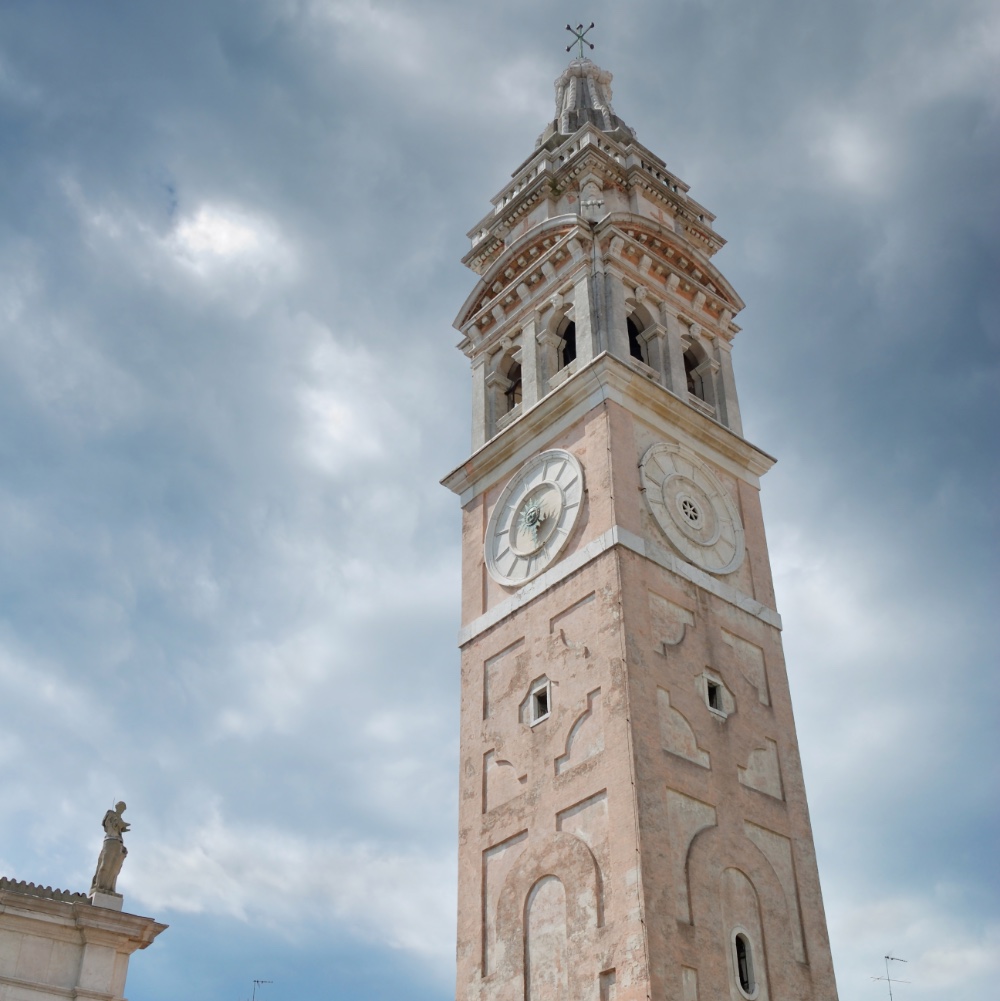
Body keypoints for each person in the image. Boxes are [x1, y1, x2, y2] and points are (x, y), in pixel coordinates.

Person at [90, 801, 129, 894]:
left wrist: (122, 826)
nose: (122, 809)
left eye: (123, 808)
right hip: (110, 840)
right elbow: (107, 824)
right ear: (116, 806)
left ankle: (109, 888)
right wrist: (117, 823)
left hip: (118, 842)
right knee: (105, 865)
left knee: (114, 867)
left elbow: (119, 827)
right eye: (121, 807)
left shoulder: (120, 818)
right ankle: (99, 886)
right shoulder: (110, 813)